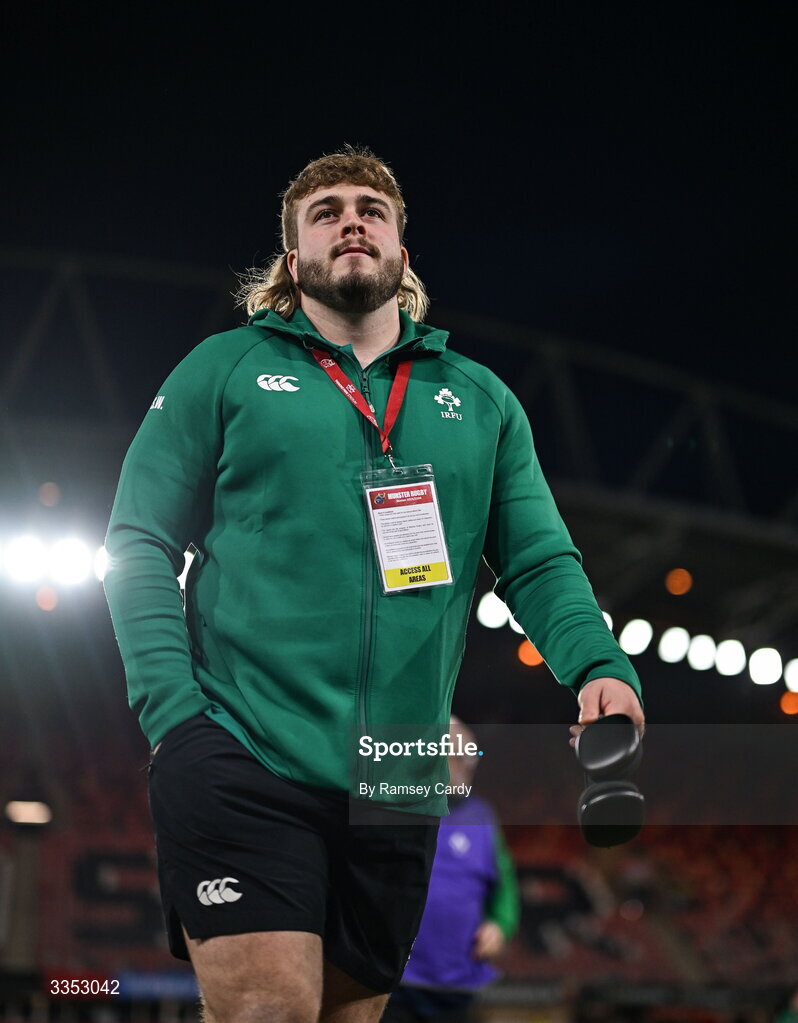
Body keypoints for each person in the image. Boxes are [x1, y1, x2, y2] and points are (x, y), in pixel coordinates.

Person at [103, 145, 645, 1023]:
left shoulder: (481, 401)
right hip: (241, 747)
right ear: (294, 261)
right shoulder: (223, 369)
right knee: (270, 1010)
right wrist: (176, 717)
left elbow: (540, 561)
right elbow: (137, 541)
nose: (351, 221)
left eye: (371, 210)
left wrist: (598, 667)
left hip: (396, 777)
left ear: (402, 251)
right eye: (326, 212)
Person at [384, 717, 519, 1023]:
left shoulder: (482, 815)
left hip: (458, 982)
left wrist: (500, 925)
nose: (468, 764)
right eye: (457, 755)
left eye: (472, 755)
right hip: (397, 981)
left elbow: (505, 884)